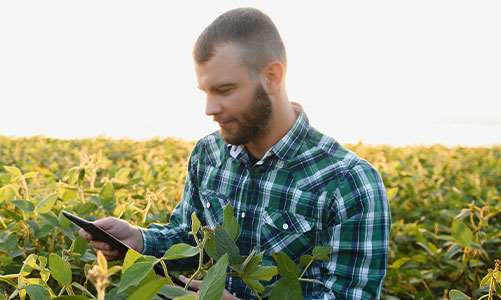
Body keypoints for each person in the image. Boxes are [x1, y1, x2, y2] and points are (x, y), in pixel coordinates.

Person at [79, 7, 390, 300]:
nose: (209, 109)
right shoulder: (208, 154)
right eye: (205, 92)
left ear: (272, 77)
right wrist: (138, 239)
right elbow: (194, 242)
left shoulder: (350, 183)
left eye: (225, 90)